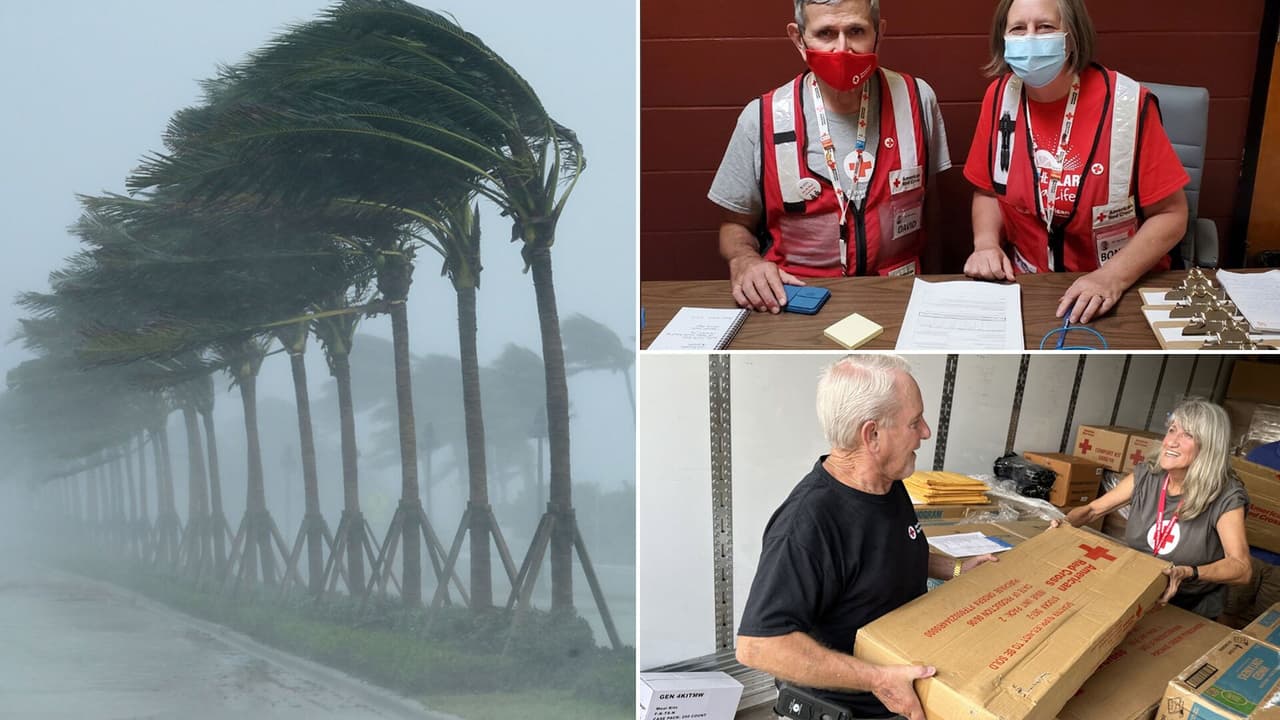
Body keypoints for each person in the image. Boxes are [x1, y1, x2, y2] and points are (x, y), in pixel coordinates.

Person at [736, 355, 997, 720]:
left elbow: (895, 552)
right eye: (914, 421)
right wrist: (878, 680)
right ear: (872, 435)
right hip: (849, 710)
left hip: (902, 691)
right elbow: (758, 647)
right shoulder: (808, 524)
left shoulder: (887, 484)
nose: (925, 432)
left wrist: (955, 568)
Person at [709, 0, 952, 314]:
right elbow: (733, 224)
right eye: (825, 33)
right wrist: (745, 261)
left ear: (879, 33)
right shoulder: (762, 118)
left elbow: (930, 208)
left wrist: (934, 293)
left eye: (856, 31)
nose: (842, 49)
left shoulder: (919, 99)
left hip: (898, 296)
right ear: (799, 39)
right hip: (794, 301)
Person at [962, 0, 1190, 324]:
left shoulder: (1127, 104)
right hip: (1030, 285)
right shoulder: (1000, 99)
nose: (1030, 39)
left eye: (1044, 27)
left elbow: (1172, 214)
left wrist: (1112, 277)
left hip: (1117, 287)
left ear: (1072, 36)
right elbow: (987, 192)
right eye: (1018, 29)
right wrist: (985, 244)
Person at [1053, 399, 1251, 618]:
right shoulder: (1148, 475)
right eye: (1172, 430)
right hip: (1137, 591)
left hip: (1188, 607)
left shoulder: (1225, 496)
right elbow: (1092, 511)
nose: (1172, 442)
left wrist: (1188, 572)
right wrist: (1063, 523)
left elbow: (1241, 568)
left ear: (1208, 448)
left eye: (1188, 435)